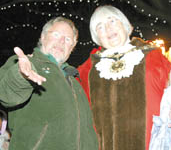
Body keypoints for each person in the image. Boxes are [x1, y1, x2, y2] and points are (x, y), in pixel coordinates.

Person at [77, 5, 171, 150]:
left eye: (112, 21)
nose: (107, 28)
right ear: (96, 37)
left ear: (126, 25)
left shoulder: (155, 57)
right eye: (99, 27)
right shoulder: (86, 71)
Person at [0, 17, 98, 150]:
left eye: (68, 39)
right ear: (43, 36)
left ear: (72, 47)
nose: (61, 41)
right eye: (56, 35)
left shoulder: (75, 80)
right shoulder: (26, 63)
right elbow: (6, 94)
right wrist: (21, 76)